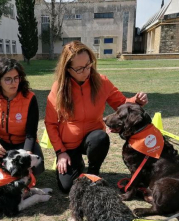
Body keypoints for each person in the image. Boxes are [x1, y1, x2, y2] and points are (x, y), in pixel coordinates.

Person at [44, 41, 148, 193]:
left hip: (93, 138)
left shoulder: (102, 81)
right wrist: (60, 152)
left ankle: (93, 171)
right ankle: (76, 162)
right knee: (66, 187)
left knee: (100, 137)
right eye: (79, 68)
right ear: (67, 69)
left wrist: (136, 101)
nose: (86, 71)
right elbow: (51, 123)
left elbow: (121, 103)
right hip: (68, 144)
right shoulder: (58, 88)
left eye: (88, 65)